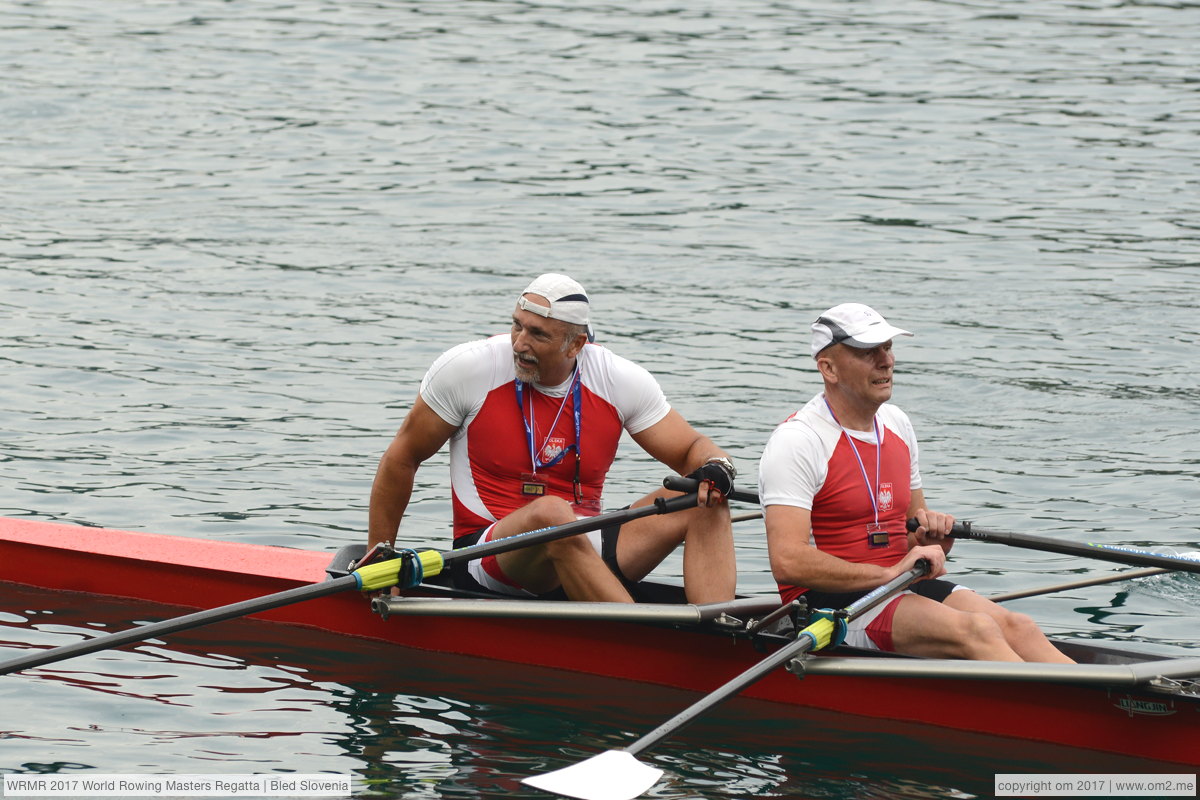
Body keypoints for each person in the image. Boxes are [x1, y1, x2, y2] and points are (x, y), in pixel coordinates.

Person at [368, 273, 737, 604]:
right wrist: (381, 554)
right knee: (551, 512)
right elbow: (403, 457)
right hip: (488, 555)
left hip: (582, 540)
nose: (519, 344)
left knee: (705, 491)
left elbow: (691, 448)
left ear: (576, 345)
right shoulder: (469, 369)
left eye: (537, 334)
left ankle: (719, 636)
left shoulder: (617, 379)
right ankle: (647, 645)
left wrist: (718, 467)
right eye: (517, 326)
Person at [758, 303, 1072, 662]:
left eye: (888, 348)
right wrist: (890, 571)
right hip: (830, 605)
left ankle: (1103, 709)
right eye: (867, 352)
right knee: (978, 630)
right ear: (828, 368)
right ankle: (1050, 714)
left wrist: (934, 538)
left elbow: (909, 534)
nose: (886, 361)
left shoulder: (897, 425)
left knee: (1019, 626)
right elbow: (788, 561)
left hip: (899, 583)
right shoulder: (798, 441)